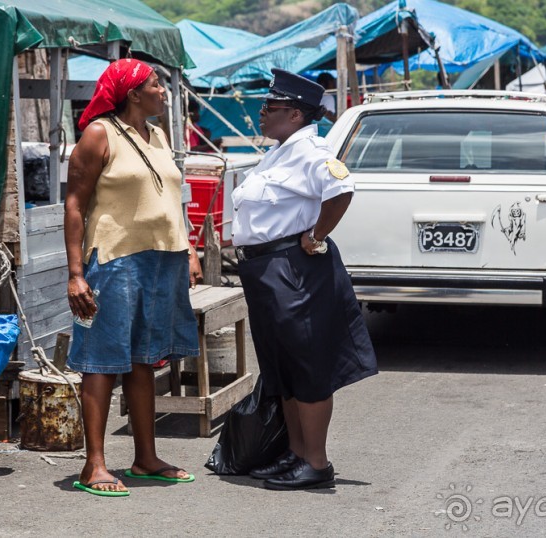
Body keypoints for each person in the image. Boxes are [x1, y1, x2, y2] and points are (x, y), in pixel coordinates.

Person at [231, 69, 378, 490]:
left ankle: (315, 460)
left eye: (269, 107)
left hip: (294, 269)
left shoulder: (311, 150)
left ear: (295, 114)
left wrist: (316, 236)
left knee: (306, 364)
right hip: (266, 270)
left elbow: (341, 190)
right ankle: (295, 454)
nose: (261, 113)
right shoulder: (279, 151)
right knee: (283, 368)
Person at [65, 58, 203, 497]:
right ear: (132, 93)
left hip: (162, 260)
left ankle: (145, 458)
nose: (163, 91)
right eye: (156, 84)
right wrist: (75, 275)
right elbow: (73, 205)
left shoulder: (158, 135)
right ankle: (94, 465)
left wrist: (190, 248)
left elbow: (168, 198)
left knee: (145, 359)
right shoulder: (99, 134)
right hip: (114, 260)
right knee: (102, 361)